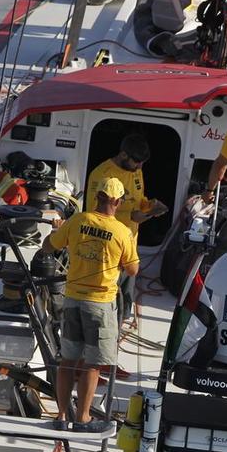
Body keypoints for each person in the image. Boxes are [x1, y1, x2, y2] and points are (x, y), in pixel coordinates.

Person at [41, 178, 140, 432]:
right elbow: (133, 268)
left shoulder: (77, 221)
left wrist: (56, 230)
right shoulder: (121, 232)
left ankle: (61, 416)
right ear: (117, 202)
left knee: (67, 362)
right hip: (100, 306)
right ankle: (83, 418)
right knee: (92, 364)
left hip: (72, 300)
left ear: (97, 197)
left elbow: (47, 248)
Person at [86, 133, 168, 322]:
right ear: (123, 155)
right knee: (106, 300)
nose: (140, 167)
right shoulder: (102, 175)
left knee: (126, 298)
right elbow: (93, 213)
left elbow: (138, 201)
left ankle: (120, 326)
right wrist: (131, 216)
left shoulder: (137, 171)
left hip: (129, 245)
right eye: (137, 162)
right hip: (107, 248)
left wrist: (150, 207)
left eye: (143, 163)